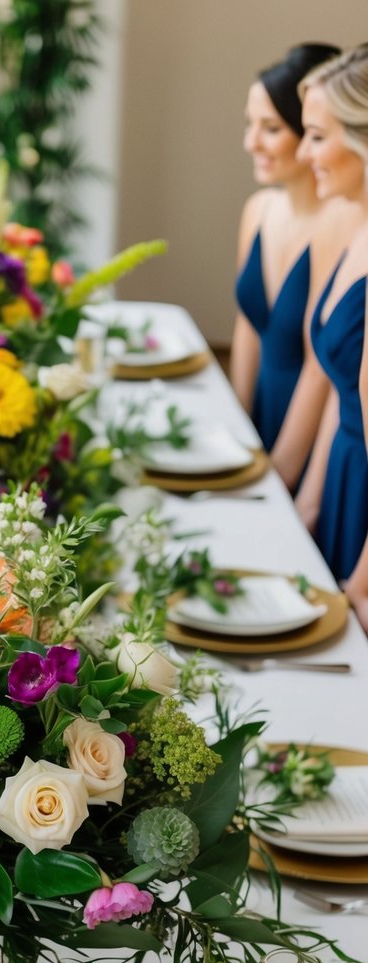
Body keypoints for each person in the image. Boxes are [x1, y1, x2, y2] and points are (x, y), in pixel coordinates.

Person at [231, 43, 358, 489]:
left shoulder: (343, 224)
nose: (252, 143)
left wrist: (282, 469)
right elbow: (248, 326)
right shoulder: (258, 208)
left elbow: (319, 363)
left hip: (305, 431)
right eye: (250, 125)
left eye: (271, 128)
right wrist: (237, 424)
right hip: (260, 410)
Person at [294, 46, 368, 630]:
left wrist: (358, 587)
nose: (303, 153)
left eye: (317, 136)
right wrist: (307, 506)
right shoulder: (356, 227)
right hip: (341, 475)